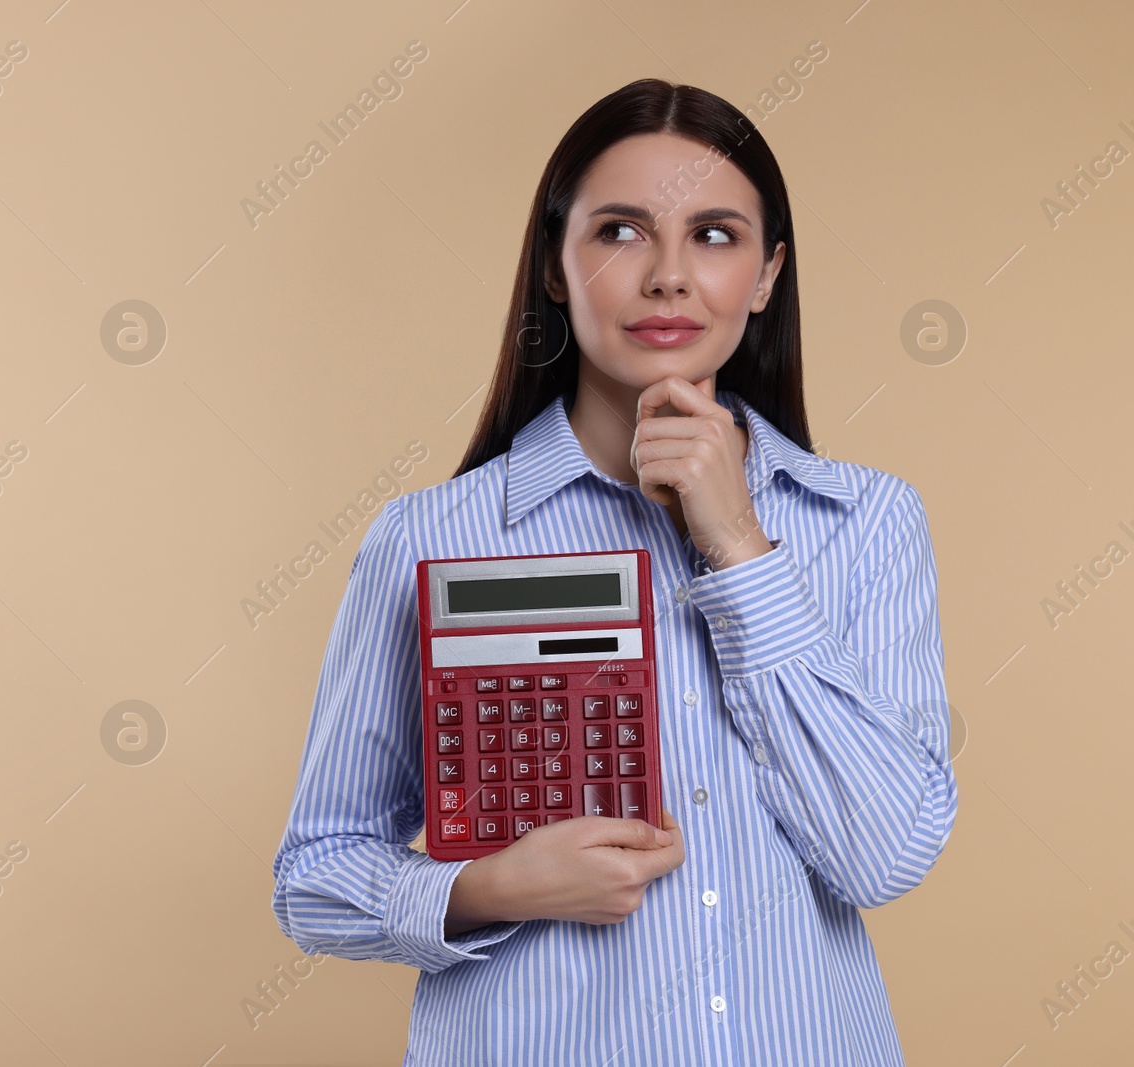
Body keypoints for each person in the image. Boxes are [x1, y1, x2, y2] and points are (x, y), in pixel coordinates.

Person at [271, 77, 957, 1066]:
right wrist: (485, 889)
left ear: (765, 276)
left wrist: (735, 544)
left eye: (714, 235)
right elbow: (315, 871)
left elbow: (883, 852)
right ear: (555, 266)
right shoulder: (429, 538)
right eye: (621, 232)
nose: (669, 277)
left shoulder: (867, 522)